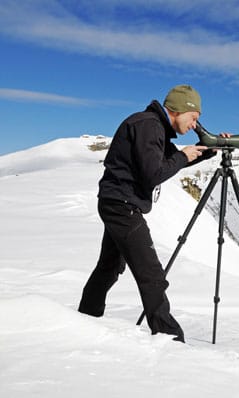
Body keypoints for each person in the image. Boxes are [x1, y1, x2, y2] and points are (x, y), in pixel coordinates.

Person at [78, 84, 226, 343]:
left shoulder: (153, 126)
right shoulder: (149, 127)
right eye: (194, 118)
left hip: (116, 203)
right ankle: (170, 339)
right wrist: (183, 157)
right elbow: (154, 174)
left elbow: (170, 159)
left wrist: (211, 149)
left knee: (109, 267)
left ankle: (85, 317)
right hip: (123, 207)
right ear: (179, 110)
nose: (194, 125)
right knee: (151, 275)